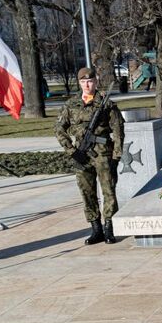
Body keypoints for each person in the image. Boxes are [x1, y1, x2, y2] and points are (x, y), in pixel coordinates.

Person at [55, 67, 124, 244]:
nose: (87, 85)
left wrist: (116, 156)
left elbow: (118, 131)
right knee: (86, 191)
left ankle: (109, 228)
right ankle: (96, 229)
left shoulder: (106, 104)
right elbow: (59, 130)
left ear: (96, 81)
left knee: (108, 190)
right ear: (79, 83)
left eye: (90, 81)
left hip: (103, 153)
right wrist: (72, 152)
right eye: (84, 81)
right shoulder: (70, 104)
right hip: (81, 153)